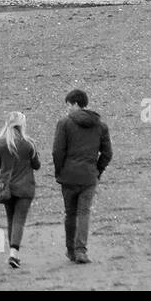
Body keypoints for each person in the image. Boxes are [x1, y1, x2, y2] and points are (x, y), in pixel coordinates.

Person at [53, 88, 112, 264]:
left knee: (70, 213)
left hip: (69, 176)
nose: (68, 109)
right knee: (84, 212)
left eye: (69, 105)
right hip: (89, 177)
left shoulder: (64, 123)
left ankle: (71, 250)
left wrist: (60, 171)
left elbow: (57, 151)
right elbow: (107, 153)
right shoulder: (100, 125)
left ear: (76, 104)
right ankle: (81, 251)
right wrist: (97, 171)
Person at [0, 111, 40, 268]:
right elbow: (37, 165)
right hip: (25, 187)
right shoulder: (28, 143)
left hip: (6, 187)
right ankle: (14, 254)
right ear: (22, 125)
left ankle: (12, 253)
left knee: (11, 219)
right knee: (19, 220)